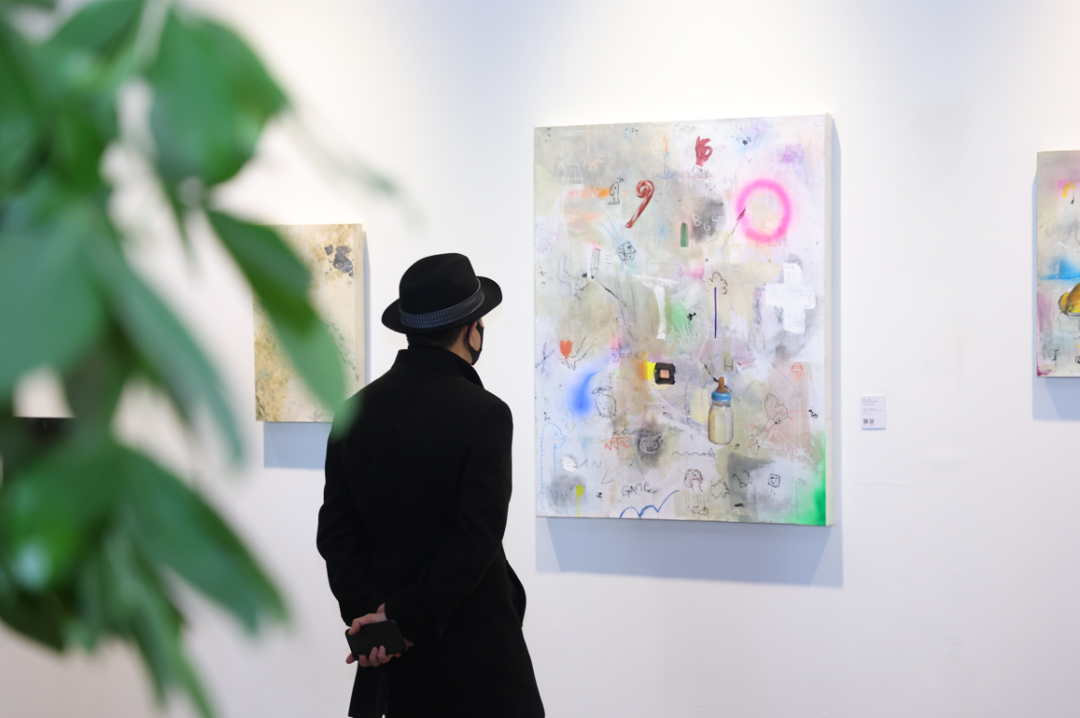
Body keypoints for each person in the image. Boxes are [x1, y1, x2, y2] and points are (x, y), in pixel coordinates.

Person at [316, 253, 544, 718]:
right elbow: (475, 540)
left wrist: (376, 625)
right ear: (471, 331)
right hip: (476, 662)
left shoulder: (353, 413)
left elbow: (337, 533)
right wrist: (404, 621)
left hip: (389, 666)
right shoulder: (486, 413)